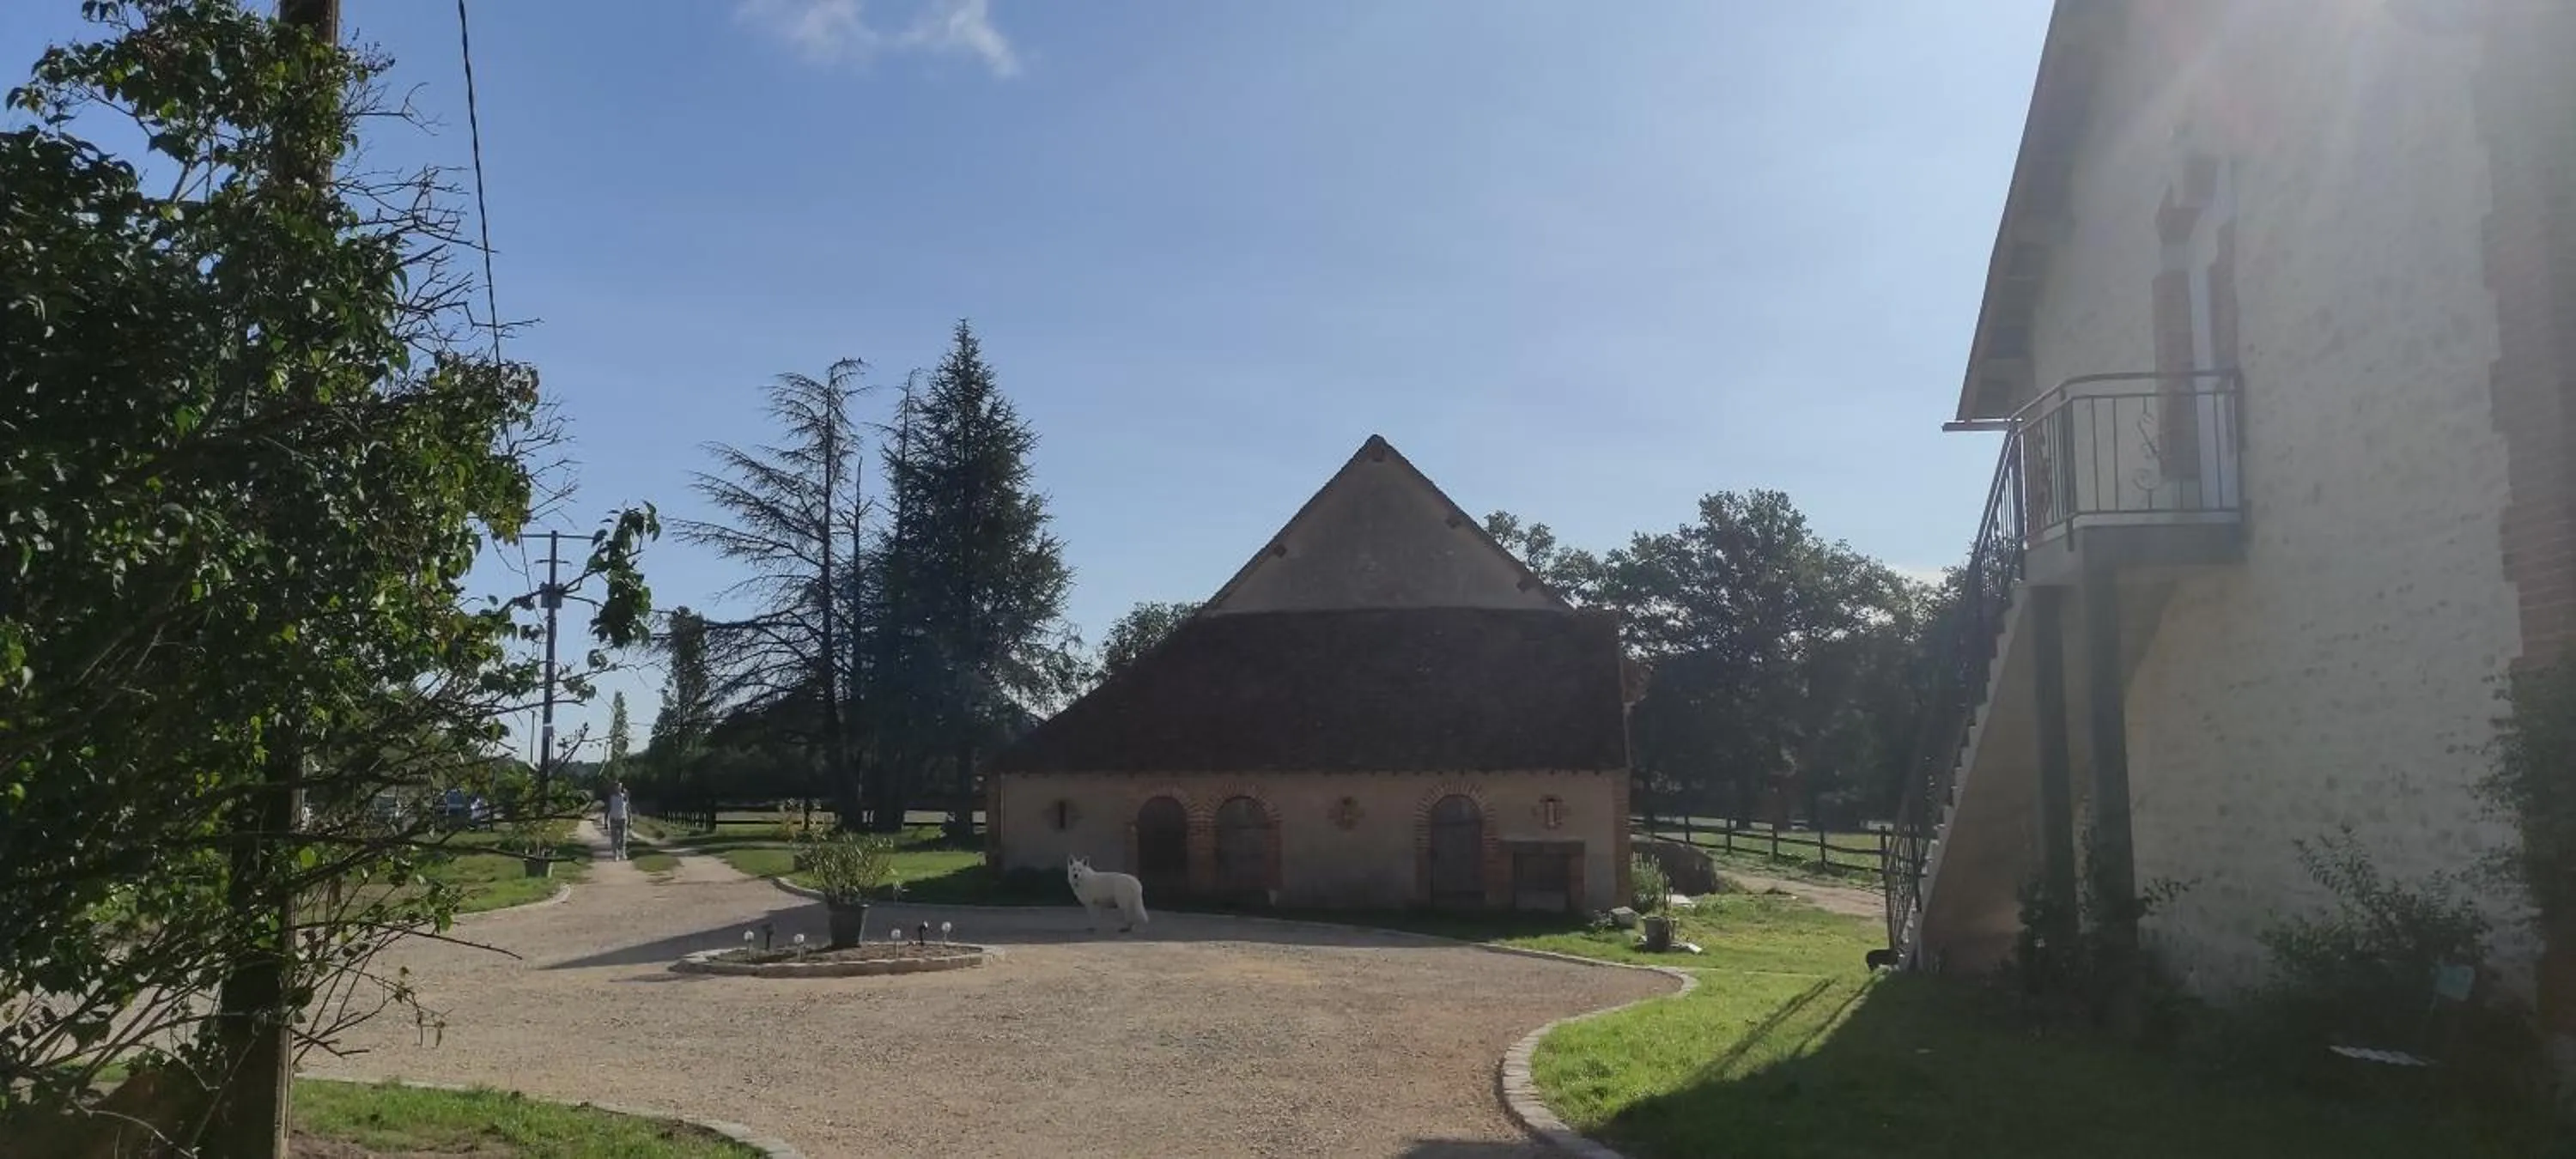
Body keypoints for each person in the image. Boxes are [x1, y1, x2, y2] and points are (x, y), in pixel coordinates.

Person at [605, 780, 631, 861]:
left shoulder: (624, 797)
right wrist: (605, 821)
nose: (619, 788)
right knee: (615, 838)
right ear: (614, 788)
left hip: (623, 819)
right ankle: (616, 854)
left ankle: (623, 852)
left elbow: (628, 808)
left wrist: (630, 819)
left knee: (623, 838)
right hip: (613, 819)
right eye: (617, 786)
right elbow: (608, 809)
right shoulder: (611, 797)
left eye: (620, 786)